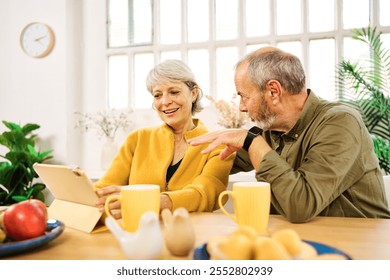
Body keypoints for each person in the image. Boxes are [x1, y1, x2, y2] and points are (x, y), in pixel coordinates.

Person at [188, 47, 390, 223]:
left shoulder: (341, 122)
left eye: (244, 96)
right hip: (299, 244)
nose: (241, 107)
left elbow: (300, 205)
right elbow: (206, 162)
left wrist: (253, 143)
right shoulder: (272, 130)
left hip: (360, 247)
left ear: (273, 91)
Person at [95, 59, 235, 217]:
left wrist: (151, 200)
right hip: (139, 232)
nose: (165, 102)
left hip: (190, 233)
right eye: (157, 95)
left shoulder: (218, 145)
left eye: (174, 92)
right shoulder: (138, 139)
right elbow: (105, 187)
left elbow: (204, 194)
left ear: (194, 93)